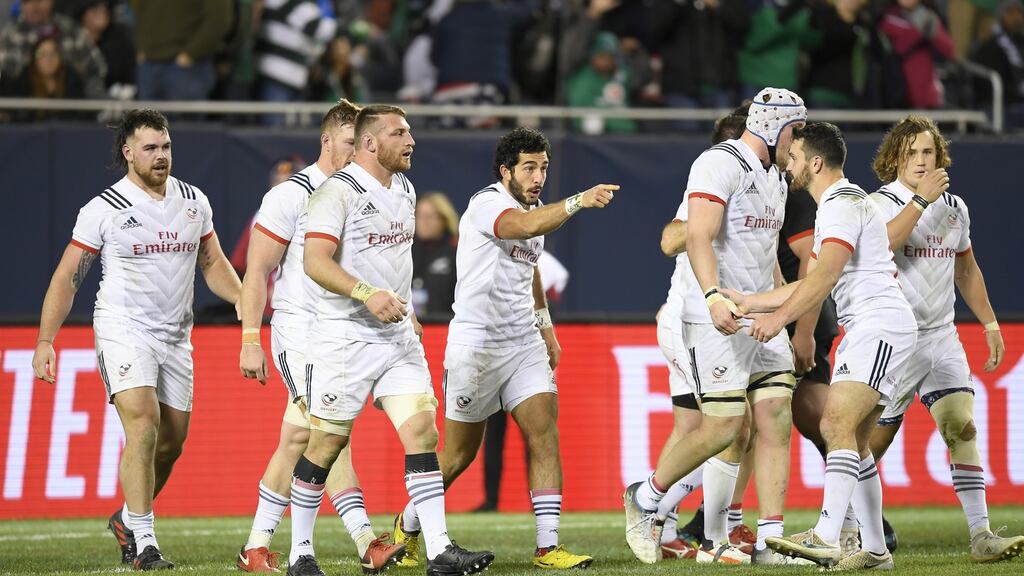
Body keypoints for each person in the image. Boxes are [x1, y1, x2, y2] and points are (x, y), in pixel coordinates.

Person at [393, 127, 618, 570]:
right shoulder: (488, 203)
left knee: (544, 433)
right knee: (458, 455)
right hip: (475, 346)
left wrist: (545, 327)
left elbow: (529, 265)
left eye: (544, 168)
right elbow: (521, 228)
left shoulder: (536, 210)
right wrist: (577, 201)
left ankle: (547, 547)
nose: (538, 177)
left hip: (522, 344)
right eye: (529, 168)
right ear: (506, 171)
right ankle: (408, 524)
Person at [30, 109, 242, 570]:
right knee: (143, 425)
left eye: (165, 146)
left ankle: (127, 519)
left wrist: (244, 301)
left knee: (172, 442)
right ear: (128, 153)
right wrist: (46, 340)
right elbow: (68, 276)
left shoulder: (193, 200)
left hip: (176, 336)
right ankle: (145, 543)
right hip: (124, 329)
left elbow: (213, 263)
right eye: (150, 148)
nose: (160, 155)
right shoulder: (103, 209)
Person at [291, 104, 493, 576]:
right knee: (325, 445)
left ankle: (439, 550)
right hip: (344, 337)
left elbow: (394, 264)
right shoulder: (334, 193)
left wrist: (408, 311)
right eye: (399, 133)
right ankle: (301, 553)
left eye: (410, 132)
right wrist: (367, 294)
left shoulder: (404, 188)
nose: (411, 141)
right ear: (368, 143)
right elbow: (315, 262)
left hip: (397, 337)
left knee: (423, 432)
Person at [623, 88, 805, 566]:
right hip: (712, 317)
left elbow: (766, 258)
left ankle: (768, 541)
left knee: (774, 420)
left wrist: (782, 314)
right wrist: (712, 296)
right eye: (794, 129)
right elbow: (695, 236)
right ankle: (647, 496)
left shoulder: (778, 179)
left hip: (759, 316)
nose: (798, 141)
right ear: (770, 125)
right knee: (723, 426)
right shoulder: (717, 163)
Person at [728, 122, 917, 570]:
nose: (787, 164)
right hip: (872, 327)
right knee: (856, 439)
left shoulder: (840, 203)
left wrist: (778, 321)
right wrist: (752, 301)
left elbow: (827, 277)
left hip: (880, 326)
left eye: (793, 158)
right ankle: (875, 549)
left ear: (814, 162)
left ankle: (828, 536)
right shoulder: (840, 203)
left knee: (835, 426)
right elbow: (809, 280)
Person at [235, 99, 405, 573]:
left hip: (344, 333)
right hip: (300, 333)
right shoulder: (292, 195)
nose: (358, 152)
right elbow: (257, 270)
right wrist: (251, 338)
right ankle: (366, 540)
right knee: (331, 432)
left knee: (297, 439)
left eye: (363, 144)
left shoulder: (366, 191)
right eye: (351, 143)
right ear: (326, 141)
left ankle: (255, 546)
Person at [867, 115, 1024, 563]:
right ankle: (844, 524)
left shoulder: (954, 207)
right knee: (871, 442)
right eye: (911, 152)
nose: (920, 159)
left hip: (941, 336)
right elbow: (883, 247)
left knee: (961, 425)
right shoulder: (877, 204)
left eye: (928, 152)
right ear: (895, 157)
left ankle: (982, 536)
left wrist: (990, 324)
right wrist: (919, 200)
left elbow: (966, 268)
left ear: (940, 156)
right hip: (894, 339)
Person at [411, 192, 460, 318]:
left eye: (430, 216)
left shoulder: (457, 252)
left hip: (444, 325)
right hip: (410, 326)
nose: (424, 222)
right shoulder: (406, 251)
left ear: (443, 220)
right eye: (420, 216)